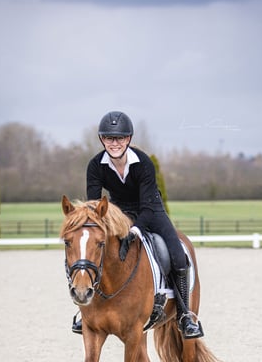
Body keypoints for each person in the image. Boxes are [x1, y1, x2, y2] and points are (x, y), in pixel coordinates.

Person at [71, 110, 204, 339]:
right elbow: (93, 206)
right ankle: (86, 310)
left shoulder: (143, 163)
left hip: (151, 210)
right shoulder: (95, 165)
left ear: (129, 139)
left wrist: (136, 229)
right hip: (118, 212)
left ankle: (184, 316)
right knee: (98, 250)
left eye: (120, 138)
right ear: (102, 140)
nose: (115, 143)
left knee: (178, 255)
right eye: (109, 138)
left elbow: (148, 207)